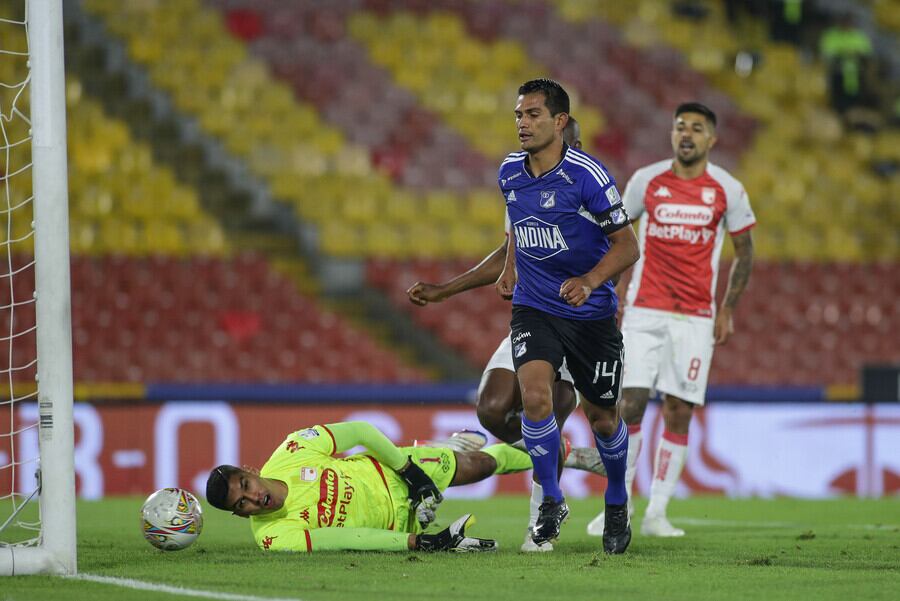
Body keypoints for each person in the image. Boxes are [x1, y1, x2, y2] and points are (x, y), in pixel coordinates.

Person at [407, 118, 608, 553]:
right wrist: (445, 290)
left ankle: (542, 521)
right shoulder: (520, 182)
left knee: (546, 411)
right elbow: (509, 248)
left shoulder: (593, 188)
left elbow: (618, 252)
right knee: (492, 410)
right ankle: (565, 455)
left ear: (573, 142)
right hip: (533, 318)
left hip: (579, 324)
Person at [586, 102, 755, 539]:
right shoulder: (646, 180)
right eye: (681, 126)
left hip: (696, 317)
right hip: (644, 310)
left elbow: (745, 251)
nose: (686, 134)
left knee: (679, 410)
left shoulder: (727, 189)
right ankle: (617, 506)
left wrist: (729, 308)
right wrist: (610, 288)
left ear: (711, 140)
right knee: (631, 404)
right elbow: (615, 232)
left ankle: (657, 511)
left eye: (697, 129)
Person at [495, 78, 640, 554]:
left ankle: (616, 497)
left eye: (533, 114)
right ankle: (551, 501)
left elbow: (628, 246)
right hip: (535, 308)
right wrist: (512, 270)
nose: (522, 123)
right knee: (534, 397)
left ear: (559, 122)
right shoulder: (509, 173)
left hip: (590, 315)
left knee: (602, 418)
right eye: (519, 114)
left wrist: (592, 282)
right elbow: (518, 228)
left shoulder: (588, 176)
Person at [205, 420, 533, 552]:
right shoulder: (272, 537)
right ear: (240, 515)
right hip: (398, 521)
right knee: (477, 465)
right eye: (241, 504)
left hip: (392, 472)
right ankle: (443, 446)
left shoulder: (293, 449)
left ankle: (561, 453)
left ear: (250, 470)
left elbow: (361, 430)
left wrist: (410, 472)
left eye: (245, 484)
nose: (253, 498)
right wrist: (420, 541)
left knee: (482, 465)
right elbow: (348, 538)